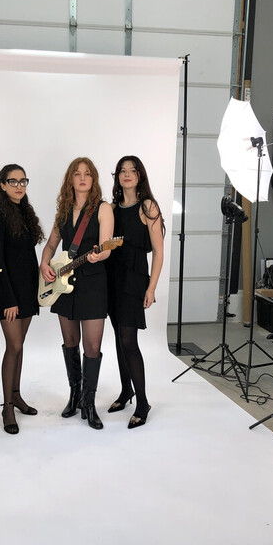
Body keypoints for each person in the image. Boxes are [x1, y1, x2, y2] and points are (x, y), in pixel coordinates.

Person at [39, 157, 115, 429]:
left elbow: (107, 246)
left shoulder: (103, 208)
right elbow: (51, 245)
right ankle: (74, 395)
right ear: (70, 179)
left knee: (92, 346)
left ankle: (89, 402)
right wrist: (44, 264)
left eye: (88, 174)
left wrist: (99, 255)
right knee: (70, 341)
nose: (82, 178)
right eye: (77, 173)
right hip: (64, 285)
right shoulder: (63, 211)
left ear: (93, 179)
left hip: (93, 283)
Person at [106, 156, 166, 428]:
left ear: (140, 175)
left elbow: (159, 252)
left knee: (129, 340)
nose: (127, 174)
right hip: (111, 279)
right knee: (119, 339)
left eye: (132, 170)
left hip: (134, 280)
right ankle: (125, 391)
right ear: (117, 176)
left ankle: (142, 402)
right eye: (122, 171)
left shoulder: (148, 206)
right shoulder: (111, 209)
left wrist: (152, 287)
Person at [0, 163, 44, 434]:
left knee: (20, 346)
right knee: (14, 345)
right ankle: (7, 406)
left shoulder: (24, 211)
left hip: (28, 288)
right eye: (13, 181)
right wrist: (8, 298)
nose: (19, 186)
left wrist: (39, 286)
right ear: (2, 185)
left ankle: (17, 396)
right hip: (8, 290)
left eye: (23, 181)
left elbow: (28, 256)